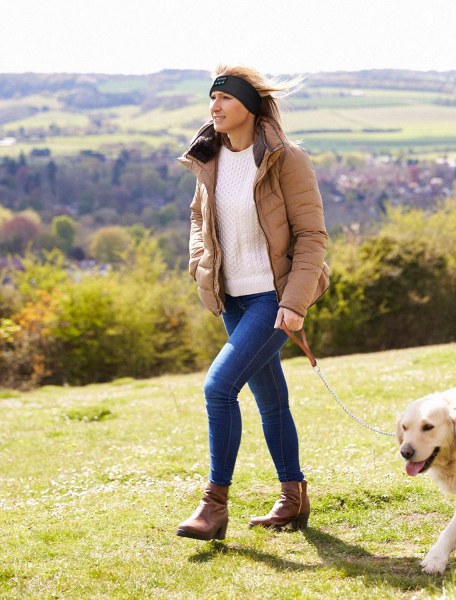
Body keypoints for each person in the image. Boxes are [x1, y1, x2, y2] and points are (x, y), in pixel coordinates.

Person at [175, 65, 329, 541]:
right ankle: (294, 494)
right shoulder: (209, 157)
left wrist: (296, 302)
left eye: (224, 99)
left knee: (218, 389)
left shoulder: (286, 159)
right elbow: (200, 222)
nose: (214, 107)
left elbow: (311, 237)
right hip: (233, 299)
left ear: (250, 106)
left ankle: (213, 506)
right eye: (211, 99)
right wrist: (202, 267)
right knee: (270, 398)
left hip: (272, 296)